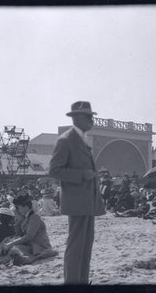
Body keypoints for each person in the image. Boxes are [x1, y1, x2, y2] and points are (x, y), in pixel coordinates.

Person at [49, 101, 106, 284]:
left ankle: (82, 281)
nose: (92, 120)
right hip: (77, 202)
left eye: (92, 116)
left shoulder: (81, 139)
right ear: (77, 117)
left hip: (87, 202)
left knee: (86, 245)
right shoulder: (66, 140)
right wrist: (82, 175)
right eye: (88, 116)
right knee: (76, 246)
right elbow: (54, 171)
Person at [0, 195, 57, 265]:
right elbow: (21, 235)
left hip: (40, 246)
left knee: (15, 248)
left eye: (19, 208)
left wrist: (12, 243)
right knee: (8, 242)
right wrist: (17, 223)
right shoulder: (26, 218)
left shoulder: (34, 217)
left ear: (25, 206)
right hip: (32, 245)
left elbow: (29, 236)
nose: (18, 210)